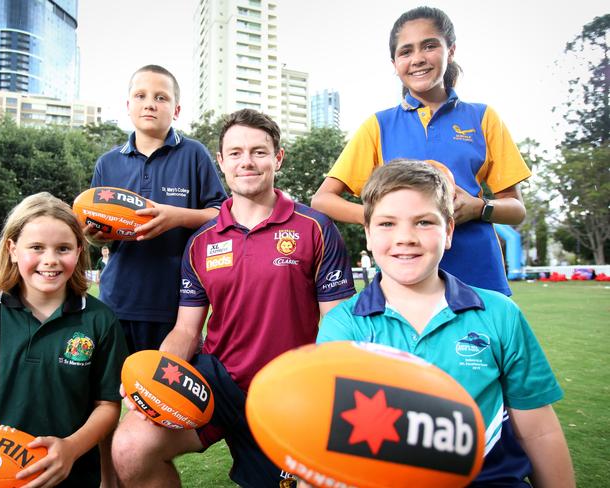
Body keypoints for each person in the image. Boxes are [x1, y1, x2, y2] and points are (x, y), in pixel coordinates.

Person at [112, 109, 356, 487]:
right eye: (236, 152)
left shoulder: (316, 228)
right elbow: (186, 330)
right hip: (219, 383)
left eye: (259, 152)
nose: (247, 161)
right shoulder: (201, 241)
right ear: (222, 161)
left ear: (278, 158)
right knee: (130, 446)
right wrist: (152, 378)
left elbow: (338, 325)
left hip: (289, 390)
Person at [317, 161, 575, 488]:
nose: (405, 238)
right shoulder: (344, 326)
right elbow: (329, 445)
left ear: (449, 231)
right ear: (367, 233)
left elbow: (538, 430)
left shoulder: (499, 314)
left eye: (424, 222)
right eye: (387, 224)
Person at [311, 6, 530, 296]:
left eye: (429, 46)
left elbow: (516, 210)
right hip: (404, 277)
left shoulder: (483, 117)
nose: (418, 59)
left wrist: (479, 208)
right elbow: (323, 200)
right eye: (406, 51)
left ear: (450, 51)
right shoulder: (379, 125)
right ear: (394, 62)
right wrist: (386, 217)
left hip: (478, 275)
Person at [0, 192, 128, 487]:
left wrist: (72, 448)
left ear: (78, 251)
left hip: (69, 473)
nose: (50, 260)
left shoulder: (99, 319)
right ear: (12, 249)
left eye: (63, 248)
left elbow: (107, 405)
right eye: (36, 247)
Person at [89, 64, 227, 354]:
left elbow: (223, 215)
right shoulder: (107, 163)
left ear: (176, 110)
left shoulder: (194, 154)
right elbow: (95, 231)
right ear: (128, 106)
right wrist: (94, 235)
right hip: (118, 299)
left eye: (161, 97)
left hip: (177, 303)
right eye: (140, 96)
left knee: (163, 394)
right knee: (111, 391)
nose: (150, 103)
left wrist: (177, 216)